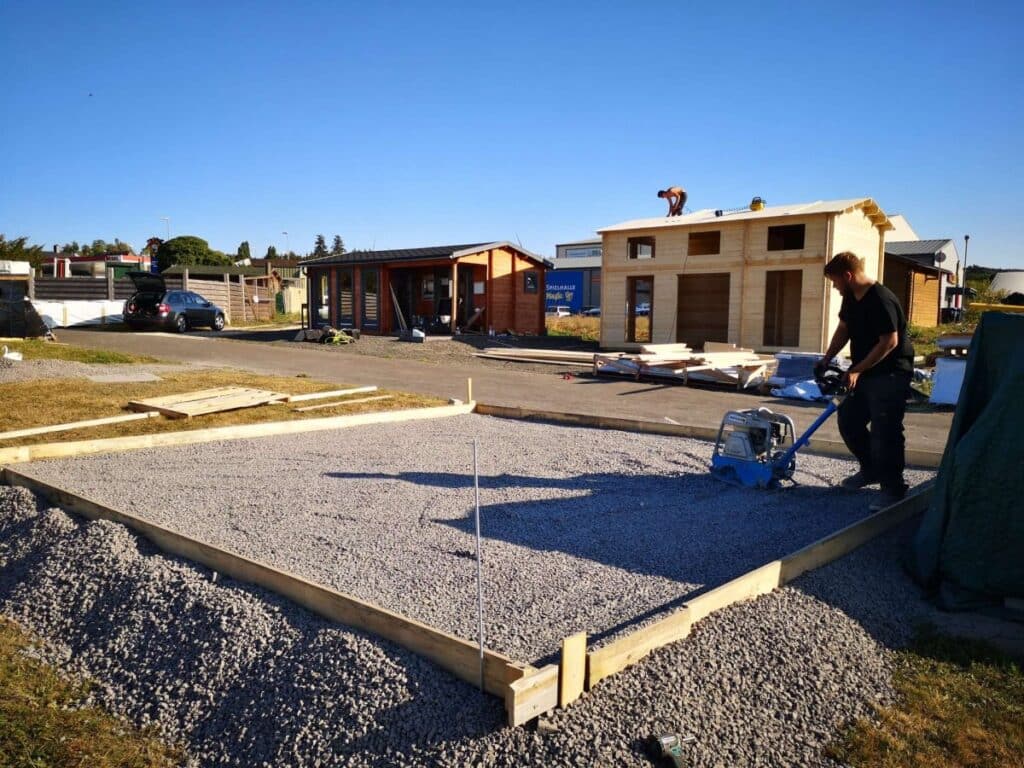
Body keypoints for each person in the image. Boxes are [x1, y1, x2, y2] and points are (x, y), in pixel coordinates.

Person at [816, 251, 915, 510]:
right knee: (849, 420)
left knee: (886, 431)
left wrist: (857, 370)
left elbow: (889, 342)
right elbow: (843, 329)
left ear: (848, 276)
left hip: (891, 372)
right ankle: (870, 470)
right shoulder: (851, 298)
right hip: (865, 370)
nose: (835, 288)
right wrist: (826, 359)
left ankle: (893, 488)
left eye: (836, 282)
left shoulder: (881, 299)